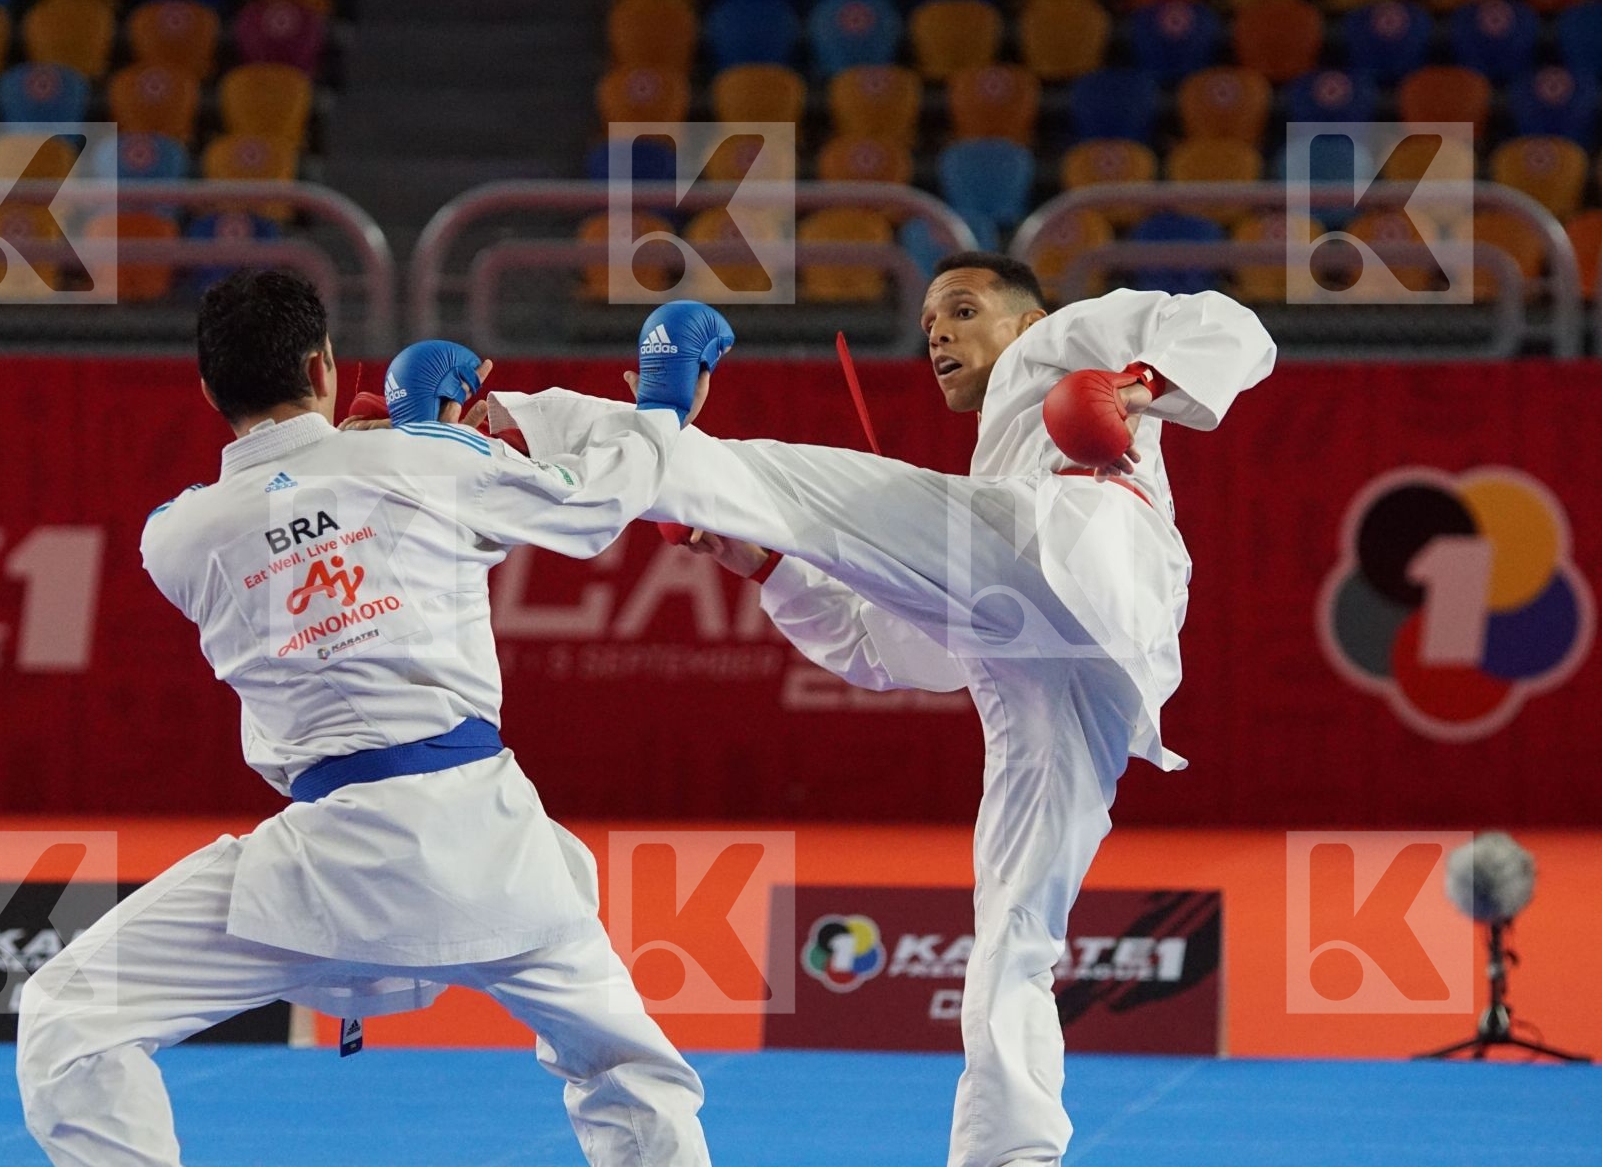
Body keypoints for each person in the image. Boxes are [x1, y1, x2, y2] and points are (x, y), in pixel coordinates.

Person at [487, 255, 1276, 1166]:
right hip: (1060, 664)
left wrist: (1141, 383)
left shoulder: (1067, 338)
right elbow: (887, 651)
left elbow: (1236, 327)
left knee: (796, 487)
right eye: (930, 320)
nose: (937, 331)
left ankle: (556, 424)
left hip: (1076, 545)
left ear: (1024, 321)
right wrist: (764, 568)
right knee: (1016, 930)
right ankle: (1013, 1154)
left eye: (963, 309)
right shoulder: (1000, 446)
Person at [14, 271, 727, 1167]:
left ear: (205, 391)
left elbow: (294, 501)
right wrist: (664, 405)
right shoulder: (423, 463)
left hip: (324, 872)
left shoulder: (175, 539)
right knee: (630, 1073)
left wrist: (395, 444)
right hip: (493, 850)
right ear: (323, 363)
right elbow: (590, 504)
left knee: (70, 1017)